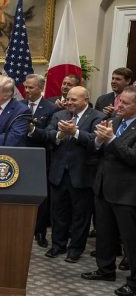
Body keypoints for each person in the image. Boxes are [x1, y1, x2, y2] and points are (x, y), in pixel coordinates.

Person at [30, 86, 104, 263]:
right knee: (58, 212)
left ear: (85, 100)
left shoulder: (98, 117)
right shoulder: (59, 115)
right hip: (58, 172)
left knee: (80, 216)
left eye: (74, 100)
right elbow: (48, 135)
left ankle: (75, 249)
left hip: (82, 175)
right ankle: (58, 245)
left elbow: (96, 144)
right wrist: (59, 135)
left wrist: (75, 133)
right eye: (68, 99)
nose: (69, 102)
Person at [81, 85, 136, 296]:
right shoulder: (115, 120)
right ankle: (105, 270)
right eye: (119, 101)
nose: (119, 105)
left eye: (126, 103)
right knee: (104, 234)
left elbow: (132, 158)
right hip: (104, 187)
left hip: (127, 193)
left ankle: (134, 283)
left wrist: (111, 140)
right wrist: (98, 140)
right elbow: (98, 149)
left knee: (131, 241)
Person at [21, 74, 58, 248]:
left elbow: (50, 135)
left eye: (31, 87)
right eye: (26, 87)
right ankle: (21, 228)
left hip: (41, 159)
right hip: (20, 157)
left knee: (40, 198)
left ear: (41, 88)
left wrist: (32, 130)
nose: (27, 91)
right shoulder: (18, 106)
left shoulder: (51, 108)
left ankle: (40, 231)